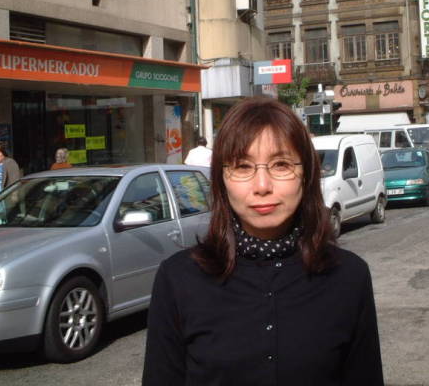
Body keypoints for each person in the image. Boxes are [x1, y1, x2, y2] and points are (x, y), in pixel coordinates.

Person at [142, 98, 384, 386]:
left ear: (306, 174)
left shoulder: (349, 277)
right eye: (242, 166)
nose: (262, 186)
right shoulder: (178, 279)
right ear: (221, 179)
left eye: (281, 165)